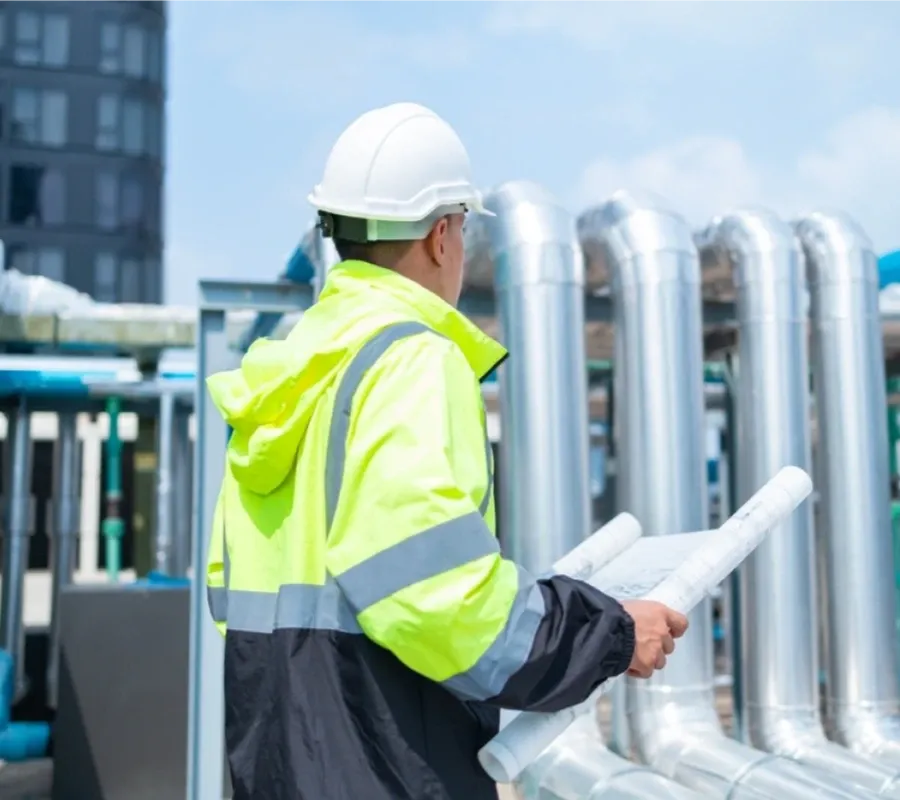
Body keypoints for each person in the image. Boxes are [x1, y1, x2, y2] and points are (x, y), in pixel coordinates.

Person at [205, 102, 688, 800]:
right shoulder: (411, 362)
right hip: (387, 771)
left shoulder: (286, 375)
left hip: (278, 768)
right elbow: (434, 594)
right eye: (462, 229)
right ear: (441, 235)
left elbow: (233, 595)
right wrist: (609, 635)